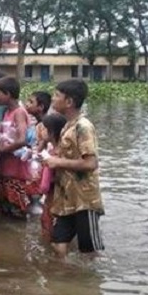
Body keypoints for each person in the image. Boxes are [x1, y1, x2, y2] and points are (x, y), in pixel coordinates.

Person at [43, 79, 104, 257]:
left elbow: (91, 163)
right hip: (66, 199)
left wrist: (57, 162)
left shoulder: (83, 127)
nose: (53, 99)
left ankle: (91, 282)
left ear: (69, 102)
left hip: (85, 200)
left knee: (90, 251)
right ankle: (65, 280)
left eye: (56, 95)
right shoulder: (66, 127)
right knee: (57, 245)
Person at [0, 76, 34, 219]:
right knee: (4, 208)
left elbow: (22, 140)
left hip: (15, 169)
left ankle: (19, 240)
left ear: (8, 94)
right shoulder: (6, 112)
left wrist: (1, 150)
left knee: (17, 209)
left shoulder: (19, 112)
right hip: (5, 167)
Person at [36, 112, 67, 243]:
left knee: (51, 224)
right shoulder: (54, 150)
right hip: (54, 196)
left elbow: (50, 182)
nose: (40, 130)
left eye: (43, 128)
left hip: (55, 197)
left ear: (51, 132)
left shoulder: (56, 153)